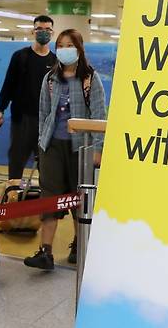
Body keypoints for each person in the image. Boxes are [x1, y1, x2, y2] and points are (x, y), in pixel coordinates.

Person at [24, 29, 106, 270]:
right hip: (52, 146)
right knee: (49, 198)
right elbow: (43, 113)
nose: (64, 49)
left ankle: (79, 245)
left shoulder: (91, 79)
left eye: (69, 45)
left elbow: (99, 116)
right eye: (60, 45)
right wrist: (41, 142)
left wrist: (98, 150)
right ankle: (45, 252)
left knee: (78, 198)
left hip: (81, 148)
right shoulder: (50, 79)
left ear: (79, 49)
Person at [0, 15, 57, 179]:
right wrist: (1, 108)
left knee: (46, 163)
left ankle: (47, 197)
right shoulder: (20, 56)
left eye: (47, 30)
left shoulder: (56, 61)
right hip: (21, 119)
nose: (43, 32)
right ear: (33, 31)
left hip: (45, 122)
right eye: (39, 29)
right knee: (16, 159)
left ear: (52, 32)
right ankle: (13, 195)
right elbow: (9, 83)